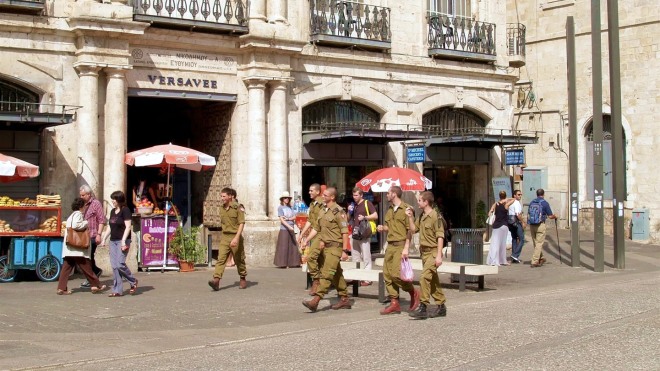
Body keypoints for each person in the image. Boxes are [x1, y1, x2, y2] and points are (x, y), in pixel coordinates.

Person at [302, 187, 352, 312]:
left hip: (335, 248)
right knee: (337, 274)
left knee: (327, 274)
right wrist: (306, 240)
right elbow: (316, 228)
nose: (322, 197)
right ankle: (344, 299)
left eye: (325, 195)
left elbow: (344, 232)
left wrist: (344, 251)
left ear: (332, 197)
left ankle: (316, 301)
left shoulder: (339, 212)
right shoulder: (323, 211)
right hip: (325, 248)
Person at [376, 185, 420, 315]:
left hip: (401, 245)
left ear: (394, 194)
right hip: (390, 245)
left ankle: (413, 292)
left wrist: (406, 247)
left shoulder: (407, 209)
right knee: (387, 274)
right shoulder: (390, 210)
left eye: (388, 193)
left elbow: (410, 230)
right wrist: (383, 228)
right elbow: (391, 227)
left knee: (396, 274)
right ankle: (394, 302)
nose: (387, 195)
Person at [56, 198, 107, 295]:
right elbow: (76, 225)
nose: (85, 207)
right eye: (84, 206)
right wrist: (86, 223)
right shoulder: (78, 214)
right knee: (87, 267)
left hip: (69, 247)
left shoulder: (71, 215)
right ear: (80, 206)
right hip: (77, 248)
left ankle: (61, 288)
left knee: (66, 268)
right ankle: (97, 285)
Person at [408, 191, 447, 319]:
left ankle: (423, 306)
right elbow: (414, 230)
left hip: (433, 252)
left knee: (424, 277)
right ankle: (441, 306)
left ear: (426, 202)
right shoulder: (422, 216)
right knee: (433, 281)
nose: (418, 202)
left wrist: (439, 255)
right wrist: (410, 217)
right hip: (424, 253)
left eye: (420, 200)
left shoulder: (436, 217)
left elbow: (440, 236)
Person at [208, 187, 248, 291]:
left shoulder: (238, 208)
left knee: (239, 259)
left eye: (224, 196)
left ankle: (242, 277)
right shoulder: (221, 208)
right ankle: (216, 280)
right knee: (221, 259)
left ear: (230, 196)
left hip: (235, 236)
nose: (222, 198)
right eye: (221, 196)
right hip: (225, 237)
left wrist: (236, 238)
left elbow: (241, 223)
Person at [101, 191, 138, 297]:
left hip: (123, 241)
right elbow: (110, 226)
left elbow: (127, 227)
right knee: (114, 266)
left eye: (114, 199)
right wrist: (104, 238)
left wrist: (123, 240)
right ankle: (117, 290)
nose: (113, 201)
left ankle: (133, 280)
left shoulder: (125, 211)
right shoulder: (113, 211)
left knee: (120, 264)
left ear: (119, 200)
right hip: (113, 241)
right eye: (112, 199)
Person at [299, 183, 325, 295]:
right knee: (319, 260)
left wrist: (306, 239)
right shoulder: (313, 204)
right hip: (314, 235)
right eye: (309, 190)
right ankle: (320, 282)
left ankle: (317, 281)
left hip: (321, 234)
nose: (309, 192)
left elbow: (318, 224)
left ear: (318, 192)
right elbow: (310, 220)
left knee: (311, 258)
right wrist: (301, 234)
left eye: (311, 190)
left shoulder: (321, 204)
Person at [79, 185, 106, 288]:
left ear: (88, 194)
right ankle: (96, 271)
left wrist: (99, 234)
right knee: (86, 257)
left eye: (83, 195)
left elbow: (101, 220)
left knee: (88, 257)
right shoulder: (82, 204)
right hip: (82, 235)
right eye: (80, 195)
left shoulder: (96, 204)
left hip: (93, 235)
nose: (81, 197)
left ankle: (90, 278)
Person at [350, 187, 378, 286]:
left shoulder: (367, 203)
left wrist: (365, 217)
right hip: (354, 233)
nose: (354, 197)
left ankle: (367, 279)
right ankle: (357, 277)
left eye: (356, 195)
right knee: (355, 256)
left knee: (366, 256)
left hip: (364, 233)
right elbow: (350, 218)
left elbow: (375, 215)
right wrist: (349, 212)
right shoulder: (354, 205)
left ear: (361, 195)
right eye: (353, 195)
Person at [528, 188, 556, 268]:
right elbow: (550, 216)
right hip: (540, 225)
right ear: (543, 194)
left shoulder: (532, 202)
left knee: (536, 243)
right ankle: (535, 261)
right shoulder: (545, 203)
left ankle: (542, 258)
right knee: (539, 244)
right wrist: (555, 216)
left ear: (536, 194)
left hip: (532, 224)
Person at [273, 191, 301, 268]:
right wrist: (289, 226)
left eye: (288, 198)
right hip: (284, 229)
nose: (287, 199)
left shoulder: (291, 207)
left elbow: (295, 216)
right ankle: (282, 263)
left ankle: (293, 263)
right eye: (285, 198)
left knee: (293, 245)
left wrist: (288, 219)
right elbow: (282, 220)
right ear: (282, 199)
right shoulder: (280, 208)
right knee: (283, 246)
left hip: (291, 227)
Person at [487, 191, 514, 266]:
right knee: (502, 244)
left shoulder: (496, 204)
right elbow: (513, 199)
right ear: (505, 196)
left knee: (495, 243)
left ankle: (493, 260)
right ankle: (502, 260)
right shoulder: (506, 204)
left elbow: (489, 213)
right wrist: (506, 199)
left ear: (499, 196)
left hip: (496, 226)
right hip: (504, 226)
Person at [508, 190, 526, 263]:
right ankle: (515, 255)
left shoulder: (510, 202)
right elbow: (518, 214)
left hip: (510, 222)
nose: (520, 196)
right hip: (516, 222)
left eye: (520, 194)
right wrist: (523, 222)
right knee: (522, 239)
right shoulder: (516, 203)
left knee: (514, 238)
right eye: (518, 194)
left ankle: (514, 257)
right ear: (514, 195)